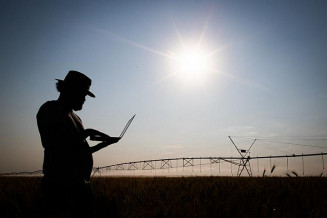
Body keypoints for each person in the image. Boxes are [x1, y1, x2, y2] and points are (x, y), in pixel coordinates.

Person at [36, 70, 119, 216]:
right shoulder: (49, 109)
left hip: (82, 186)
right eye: (82, 94)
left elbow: (79, 150)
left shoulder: (76, 117)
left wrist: (105, 144)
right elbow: (54, 145)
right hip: (60, 187)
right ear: (69, 90)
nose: (84, 100)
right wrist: (88, 132)